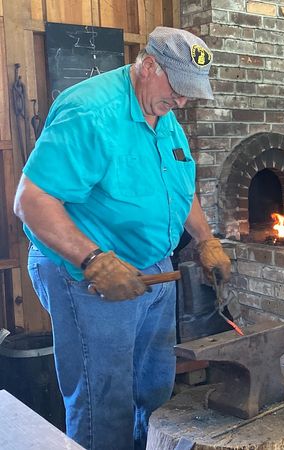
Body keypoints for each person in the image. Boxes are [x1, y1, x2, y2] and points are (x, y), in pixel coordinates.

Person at [13, 27, 231, 449]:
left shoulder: (163, 115)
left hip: (154, 268)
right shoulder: (89, 112)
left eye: (189, 93)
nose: (182, 103)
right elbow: (31, 201)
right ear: (149, 66)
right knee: (104, 400)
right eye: (178, 89)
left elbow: (178, 186)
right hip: (90, 274)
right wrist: (93, 259)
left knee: (154, 388)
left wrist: (205, 239)